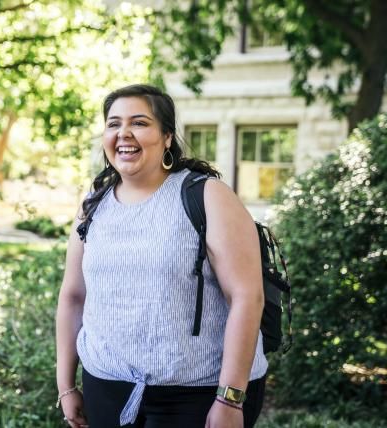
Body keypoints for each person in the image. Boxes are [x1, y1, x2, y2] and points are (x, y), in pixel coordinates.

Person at [55, 84, 267, 428]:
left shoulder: (208, 196)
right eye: (113, 124)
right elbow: (73, 296)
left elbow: (247, 297)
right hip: (106, 387)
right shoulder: (94, 203)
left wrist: (230, 398)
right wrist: (66, 387)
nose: (123, 133)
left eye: (139, 122)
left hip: (197, 394)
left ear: (167, 136)